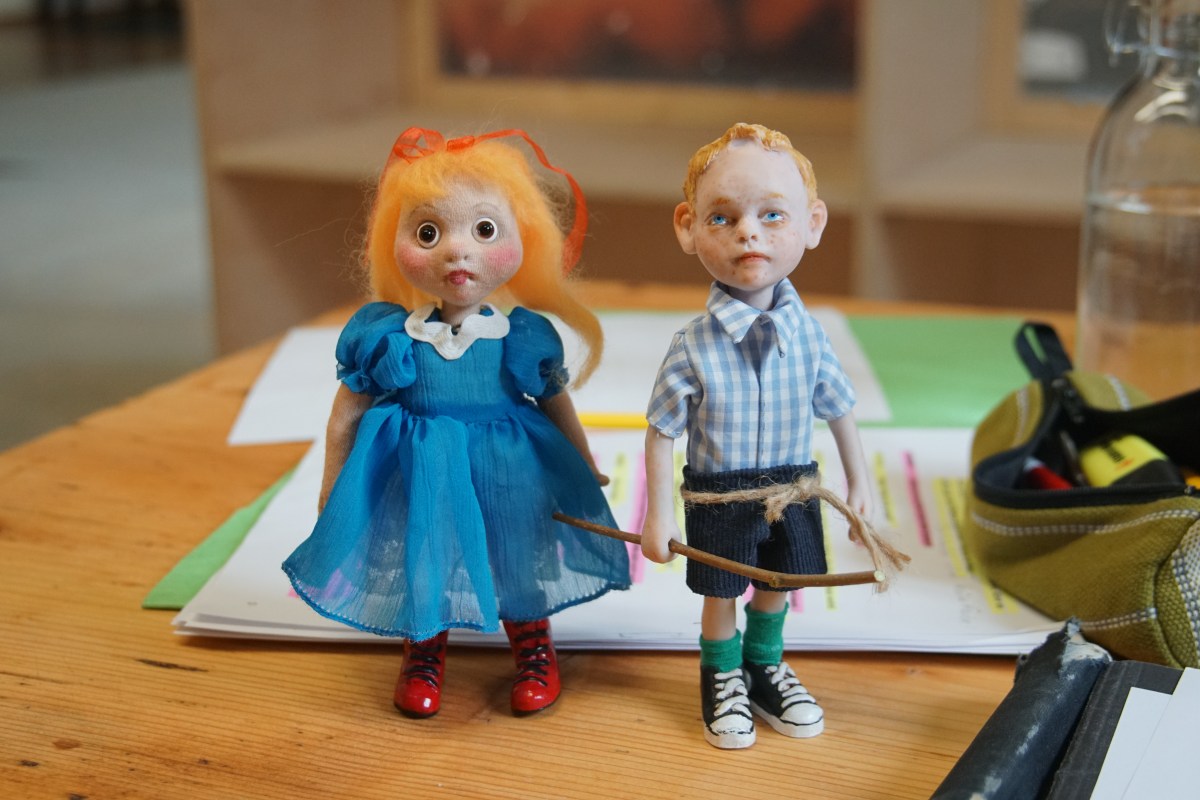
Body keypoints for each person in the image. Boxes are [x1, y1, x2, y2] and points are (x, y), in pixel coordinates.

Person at [283, 128, 630, 719]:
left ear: (524, 239)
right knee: (427, 555)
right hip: (422, 470)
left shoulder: (522, 337)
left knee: (517, 551)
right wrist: (332, 486)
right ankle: (423, 648)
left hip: (509, 469)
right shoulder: (389, 338)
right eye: (428, 232)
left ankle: (533, 644)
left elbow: (556, 402)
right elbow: (344, 417)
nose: (457, 251)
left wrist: (583, 465)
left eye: (485, 229)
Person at [641, 122, 873, 749]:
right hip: (719, 495)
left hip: (793, 492)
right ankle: (721, 673)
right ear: (688, 226)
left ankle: (765, 666)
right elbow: (661, 431)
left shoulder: (811, 337)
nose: (749, 232)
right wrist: (657, 515)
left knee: (779, 585)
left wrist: (860, 485)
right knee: (721, 592)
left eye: (773, 215)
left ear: (813, 223)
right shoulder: (692, 347)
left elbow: (840, 408)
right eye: (722, 217)